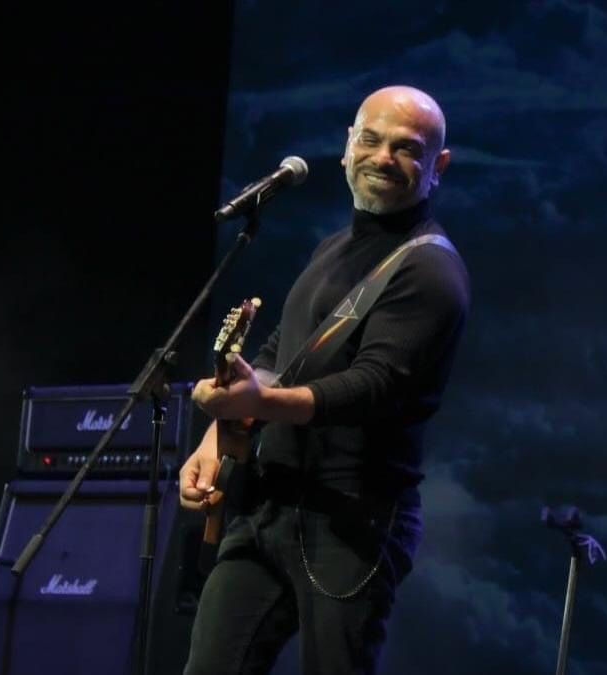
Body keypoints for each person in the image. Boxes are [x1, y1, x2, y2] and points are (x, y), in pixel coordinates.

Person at [179, 85, 470, 675]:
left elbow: (371, 387)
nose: (383, 157)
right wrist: (219, 435)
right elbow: (278, 352)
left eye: (406, 148)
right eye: (371, 140)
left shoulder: (431, 269)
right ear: (347, 146)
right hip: (270, 504)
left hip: (353, 521)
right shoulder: (332, 249)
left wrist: (262, 401)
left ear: (438, 165)